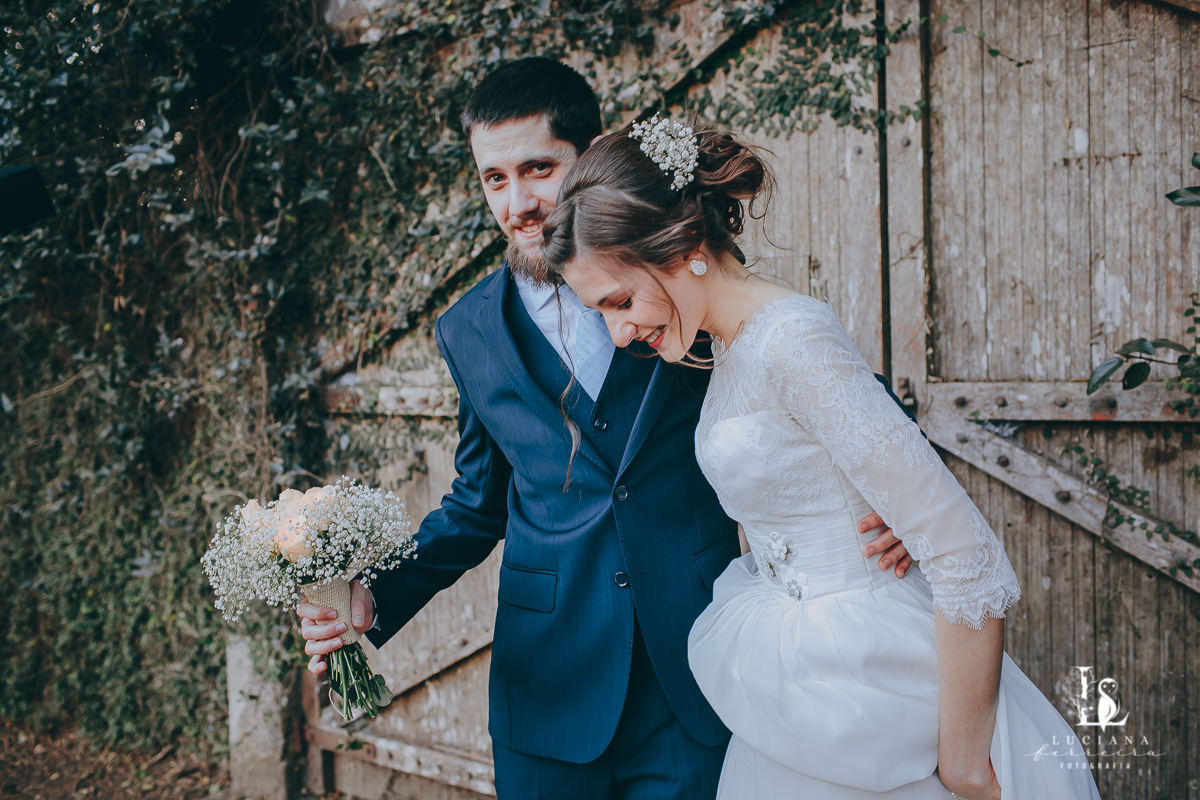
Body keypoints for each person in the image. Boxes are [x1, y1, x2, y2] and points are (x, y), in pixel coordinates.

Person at [299, 59, 915, 799]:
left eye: (537, 168)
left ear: (587, 160)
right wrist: (375, 594)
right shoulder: (466, 331)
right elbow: (475, 504)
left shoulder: (679, 278)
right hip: (547, 695)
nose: (519, 202)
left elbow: (825, 375)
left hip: (697, 675)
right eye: (495, 179)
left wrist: (898, 501)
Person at [540, 114, 1103, 800]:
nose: (620, 329)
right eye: (601, 311)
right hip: (801, 675)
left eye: (620, 301)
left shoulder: (790, 340)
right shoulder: (729, 348)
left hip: (871, 678)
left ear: (685, 239)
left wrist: (961, 764)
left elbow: (965, 555)